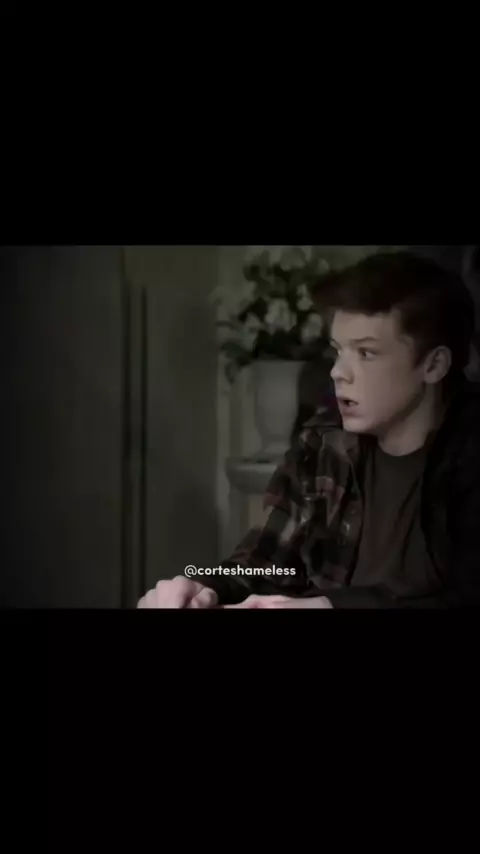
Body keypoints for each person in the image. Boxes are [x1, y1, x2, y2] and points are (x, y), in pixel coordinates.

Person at [138, 251, 480, 609]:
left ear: (434, 365)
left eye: (366, 353)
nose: (338, 373)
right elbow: (263, 564)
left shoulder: (470, 451)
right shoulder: (324, 443)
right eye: (338, 351)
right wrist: (202, 586)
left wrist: (330, 606)